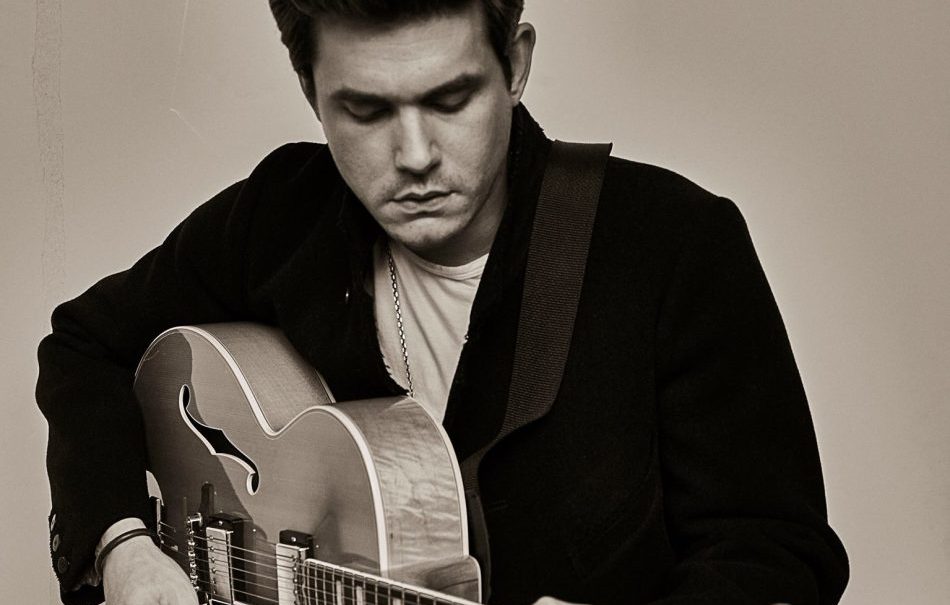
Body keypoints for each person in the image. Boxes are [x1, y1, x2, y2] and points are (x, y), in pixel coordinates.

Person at [36, 1, 849, 604]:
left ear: (516, 65)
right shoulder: (281, 216)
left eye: (451, 100)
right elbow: (84, 346)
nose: (415, 155)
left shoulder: (673, 244)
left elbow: (776, 555)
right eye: (366, 110)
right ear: (309, 89)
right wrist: (122, 545)